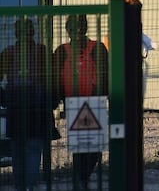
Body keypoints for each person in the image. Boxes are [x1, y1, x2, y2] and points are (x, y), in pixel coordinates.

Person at [53, 14, 109, 190]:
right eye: (73, 27)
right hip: (73, 103)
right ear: (67, 30)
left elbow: (105, 75)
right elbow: (56, 79)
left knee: (93, 146)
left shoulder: (98, 48)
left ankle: (82, 177)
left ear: (85, 28)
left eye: (80, 26)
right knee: (80, 144)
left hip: (93, 102)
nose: (77, 30)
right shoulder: (62, 51)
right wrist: (59, 100)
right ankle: (81, 179)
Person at [0, 18, 54, 191]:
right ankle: (30, 186)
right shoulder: (42, 51)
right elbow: (51, 79)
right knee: (33, 148)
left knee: (17, 149)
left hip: (15, 108)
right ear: (33, 32)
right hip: (37, 108)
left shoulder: (8, 52)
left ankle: (19, 186)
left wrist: (4, 99)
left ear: (16, 33)